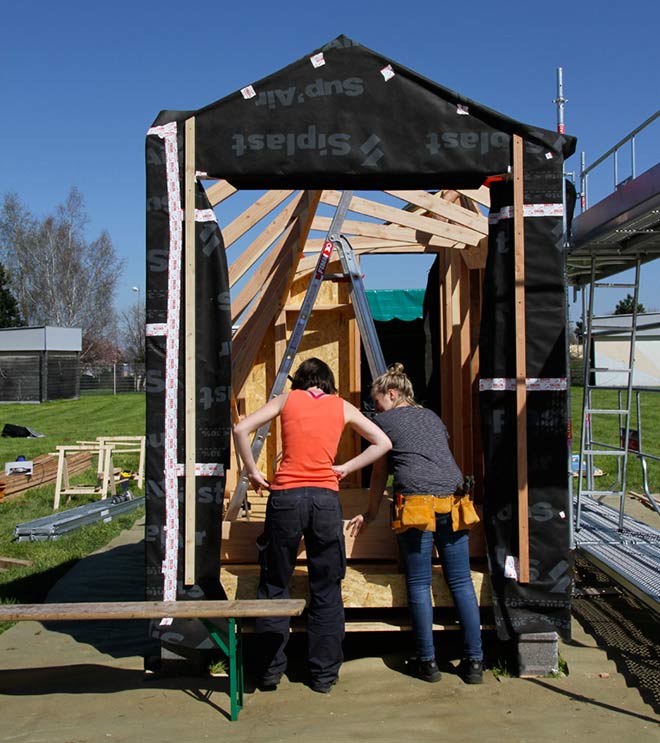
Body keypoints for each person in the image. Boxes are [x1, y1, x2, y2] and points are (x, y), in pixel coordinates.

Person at [233, 357, 391, 693]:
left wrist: (252, 471)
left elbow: (240, 429)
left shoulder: (287, 400)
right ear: (328, 381)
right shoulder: (341, 405)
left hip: (286, 497)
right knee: (326, 587)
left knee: (275, 584)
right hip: (324, 500)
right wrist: (346, 467)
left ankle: (269, 673)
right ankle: (322, 676)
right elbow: (383, 442)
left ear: (300, 381)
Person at [346, 363, 483, 684]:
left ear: (392, 394)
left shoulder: (383, 422)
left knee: (419, 584)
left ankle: (427, 662)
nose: (375, 408)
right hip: (454, 499)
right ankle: (475, 662)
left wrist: (371, 513)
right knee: (461, 582)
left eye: (377, 400)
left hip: (417, 505)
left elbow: (379, 473)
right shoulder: (432, 416)